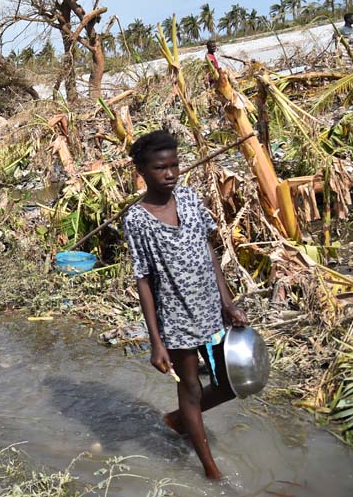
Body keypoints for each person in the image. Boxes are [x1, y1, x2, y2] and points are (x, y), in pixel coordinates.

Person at [122, 130, 248, 480]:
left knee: (230, 383)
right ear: (143, 171)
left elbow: (209, 250)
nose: (170, 174)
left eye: (175, 165)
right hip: (176, 318)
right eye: (161, 167)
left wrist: (227, 302)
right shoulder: (137, 219)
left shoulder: (190, 198)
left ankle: (178, 419)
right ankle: (211, 470)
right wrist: (156, 341)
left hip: (211, 308)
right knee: (190, 388)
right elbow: (143, 279)